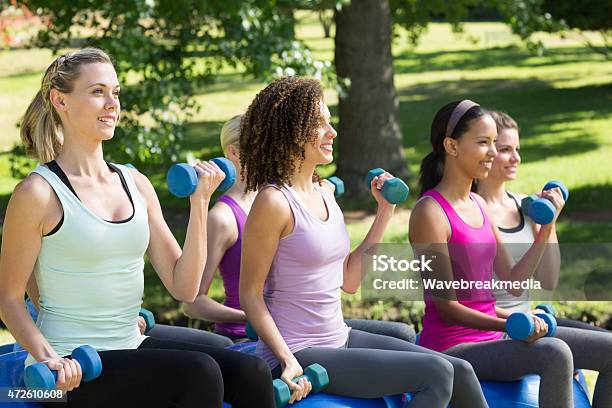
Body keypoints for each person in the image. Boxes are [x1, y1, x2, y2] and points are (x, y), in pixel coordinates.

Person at [0, 47, 273, 407]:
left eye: (115, 92)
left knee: (250, 370)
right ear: (60, 101)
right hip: (68, 367)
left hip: (130, 346)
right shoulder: (38, 192)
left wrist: (199, 203)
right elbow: (8, 299)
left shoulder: (135, 182)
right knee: (199, 372)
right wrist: (50, 358)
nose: (112, 103)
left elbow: (184, 286)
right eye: (97, 92)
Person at [239, 77, 489, 408]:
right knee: (437, 372)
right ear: (293, 132)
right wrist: (287, 360)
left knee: (460, 369)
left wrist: (385, 212)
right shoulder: (274, 202)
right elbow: (250, 294)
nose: (333, 133)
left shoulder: (324, 192)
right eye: (320, 124)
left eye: (331, 122)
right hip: (300, 349)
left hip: (338, 336)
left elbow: (350, 280)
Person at [409, 99, 612, 408]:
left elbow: (514, 282)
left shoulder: (478, 205)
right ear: (451, 146)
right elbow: (447, 307)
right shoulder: (430, 212)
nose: (493, 152)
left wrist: (546, 227)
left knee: (608, 349)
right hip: (454, 346)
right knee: (555, 353)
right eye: (483, 143)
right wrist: (512, 324)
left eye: (494, 143)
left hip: (495, 337)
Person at [182, 114, 415, 343]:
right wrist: (249, 317)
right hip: (248, 336)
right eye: (260, 143)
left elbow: (348, 281)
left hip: (302, 326)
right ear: (234, 152)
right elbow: (192, 303)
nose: (272, 149)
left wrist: (384, 209)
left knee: (402, 334)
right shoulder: (223, 218)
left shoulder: (287, 200)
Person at [477, 110, 610, 332]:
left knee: (606, 341)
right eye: (505, 150)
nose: (516, 158)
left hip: (531, 320)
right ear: (487, 152)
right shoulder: (473, 211)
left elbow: (548, 280)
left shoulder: (526, 206)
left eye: (517, 149)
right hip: (505, 326)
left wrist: (550, 224)